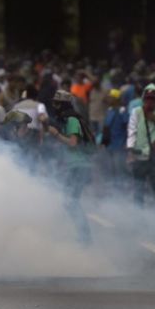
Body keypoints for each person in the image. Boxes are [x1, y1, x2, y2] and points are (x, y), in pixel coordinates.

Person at [46, 90, 94, 245]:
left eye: (57, 103)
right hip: (75, 166)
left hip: (79, 166)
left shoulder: (72, 119)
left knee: (70, 201)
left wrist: (56, 134)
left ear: (63, 104)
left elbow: (73, 143)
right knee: (69, 201)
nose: (54, 106)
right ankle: (83, 235)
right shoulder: (67, 119)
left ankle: (85, 237)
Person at [126, 84, 155, 210]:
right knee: (138, 188)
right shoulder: (136, 112)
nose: (150, 102)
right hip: (139, 156)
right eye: (147, 99)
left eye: (153, 99)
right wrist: (130, 151)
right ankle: (139, 217)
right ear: (143, 99)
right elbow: (132, 131)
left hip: (154, 157)